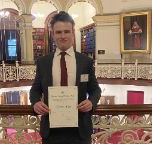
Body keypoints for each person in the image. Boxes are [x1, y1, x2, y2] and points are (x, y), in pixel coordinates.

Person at [30, 11, 101, 144]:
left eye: (66, 31)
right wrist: (35, 103)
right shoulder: (43, 62)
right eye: (58, 32)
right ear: (53, 34)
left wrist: (91, 102)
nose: (63, 36)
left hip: (80, 130)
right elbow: (35, 90)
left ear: (72, 33)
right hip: (51, 130)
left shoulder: (85, 61)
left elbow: (95, 89)